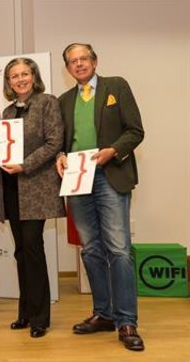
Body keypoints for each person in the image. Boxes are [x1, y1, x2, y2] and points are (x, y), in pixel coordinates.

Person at [56, 43, 145, 351]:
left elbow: (135, 131)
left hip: (110, 176)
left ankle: (126, 321)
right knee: (91, 250)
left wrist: (114, 151)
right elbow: (61, 142)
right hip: (78, 180)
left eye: (84, 59)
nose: (79, 64)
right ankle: (103, 314)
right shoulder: (64, 101)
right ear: (67, 69)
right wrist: (59, 156)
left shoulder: (116, 86)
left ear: (94, 61)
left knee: (119, 250)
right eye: (73, 61)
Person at [0, 57, 65, 338]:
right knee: (20, 252)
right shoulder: (6, 111)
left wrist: (24, 165)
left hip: (36, 187)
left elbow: (54, 142)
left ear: (34, 76)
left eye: (25, 74)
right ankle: (25, 312)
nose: (20, 79)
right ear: (8, 82)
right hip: (12, 187)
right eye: (14, 76)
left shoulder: (47, 102)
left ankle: (40, 318)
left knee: (33, 250)